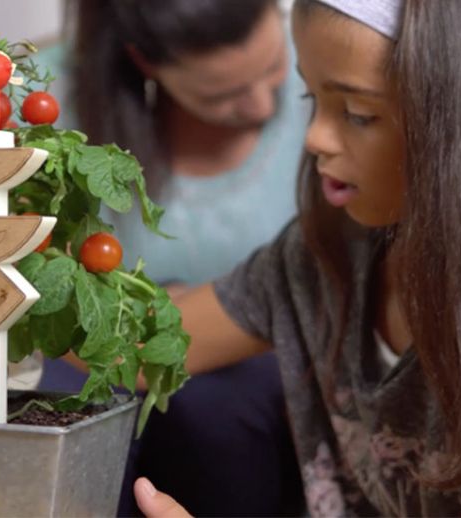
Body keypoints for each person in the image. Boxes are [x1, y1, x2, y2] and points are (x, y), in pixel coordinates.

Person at [132, 0, 461, 515]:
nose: (314, 138)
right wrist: (33, 253)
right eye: (311, 97)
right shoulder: (325, 254)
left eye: (358, 113)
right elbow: (145, 347)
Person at [34, 0, 308, 515]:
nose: (262, 105)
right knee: (69, 399)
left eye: (273, 67)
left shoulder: (324, 80)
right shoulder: (45, 99)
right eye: (219, 94)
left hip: (245, 378)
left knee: (218, 407)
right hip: (103, 355)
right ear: (144, 63)